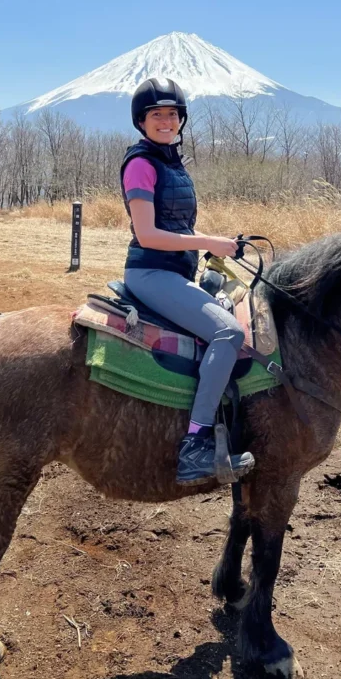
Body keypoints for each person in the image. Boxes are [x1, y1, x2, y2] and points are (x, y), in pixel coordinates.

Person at [120, 77, 254, 485]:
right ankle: (194, 446)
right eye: (156, 114)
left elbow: (175, 224)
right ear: (141, 121)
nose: (166, 121)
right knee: (228, 334)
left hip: (176, 271)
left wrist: (216, 247)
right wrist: (208, 240)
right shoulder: (141, 164)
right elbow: (148, 234)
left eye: (172, 114)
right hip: (150, 273)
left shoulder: (170, 163)